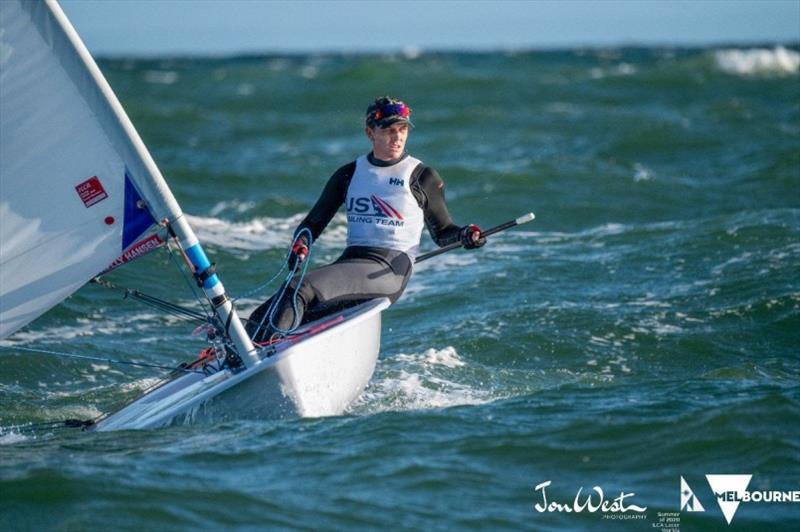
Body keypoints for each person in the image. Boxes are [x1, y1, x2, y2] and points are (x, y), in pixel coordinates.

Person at [246, 96, 485, 342]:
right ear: (370, 132)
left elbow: (443, 232)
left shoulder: (421, 176)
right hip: (352, 262)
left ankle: (261, 356)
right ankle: (229, 359)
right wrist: (301, 243)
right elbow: (312, 223)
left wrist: (465, 235)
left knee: (300, 289)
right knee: (264, 313)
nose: (398, 137)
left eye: (402, 129)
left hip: (389, 269)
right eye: (389, 130)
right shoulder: (349, 174)